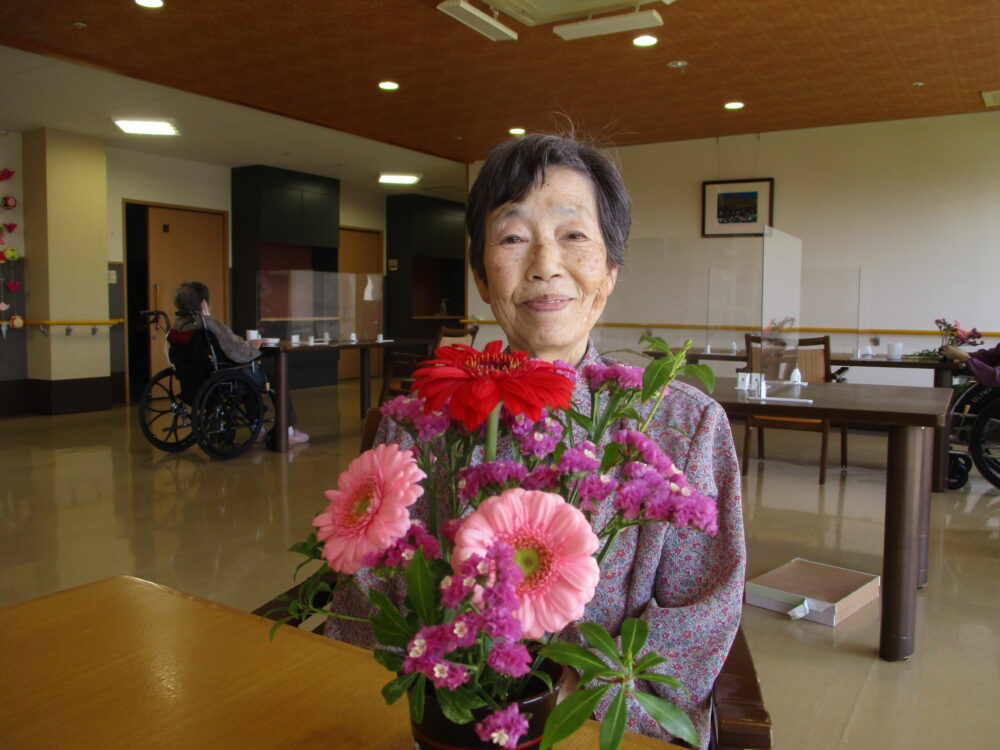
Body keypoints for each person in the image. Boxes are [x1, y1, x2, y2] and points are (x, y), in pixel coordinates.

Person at [325, 135, 744, 749]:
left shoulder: (684, 427)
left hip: (588, 728)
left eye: (575, 236)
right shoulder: (420, 420)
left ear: (610, 271)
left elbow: (701, 618)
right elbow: (367, 602)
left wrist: (568, 701)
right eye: (513, 237)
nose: (545, 263)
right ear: (481, 276)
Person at [171, 281, 309, 444]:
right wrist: (253, 346)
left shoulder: (178, 325)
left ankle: (255, 425)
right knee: (274, 372)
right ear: (203, 303)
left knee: (248, 375)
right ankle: (288, 429)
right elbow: (236, 348)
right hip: (228, 374)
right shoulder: (209, 323)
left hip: (198, 377)